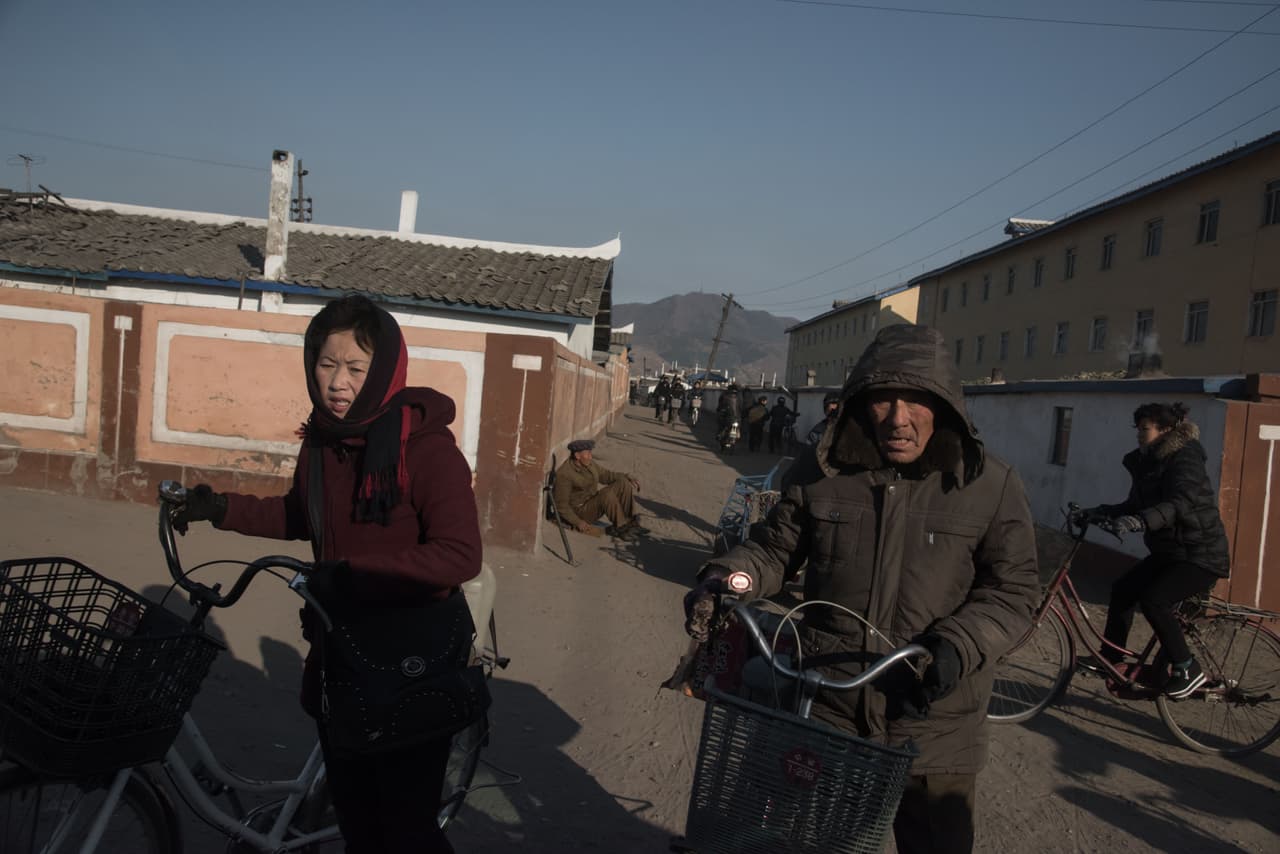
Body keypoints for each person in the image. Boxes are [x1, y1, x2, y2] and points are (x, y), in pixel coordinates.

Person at [683, 324, 1038, 854]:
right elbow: (774, 550)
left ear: (945, 405)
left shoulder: (988, 484)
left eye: (916, 400)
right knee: (811, 842)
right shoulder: (823, 471)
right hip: (830, 710)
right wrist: (728, 578)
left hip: (937, 723)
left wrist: (957, 646)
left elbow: (1014, 592)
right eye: (882, 400)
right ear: (858, 404)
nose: (898, 418)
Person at [172, 294, 481, 853]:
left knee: (406, 832)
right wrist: (218, 508)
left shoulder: (428, 451)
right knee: (358, 823)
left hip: (409, 663)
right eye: (326, 364)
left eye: (356, 368)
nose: (338, 382)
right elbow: (301, 514)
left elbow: (459, 555)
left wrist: (352, 576)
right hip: (340, 652)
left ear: (385, 370)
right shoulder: (321, 441)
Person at [1083, 402, 1230, 697]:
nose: (1138, 434)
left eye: (1144, 429)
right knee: (1124, 589)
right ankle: (1111, 659)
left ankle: (1188, 668)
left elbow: (1180, 503)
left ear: (1164, 429)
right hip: (1172, 553)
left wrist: (1139, 522)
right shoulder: (1149, 461)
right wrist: (1100, 512)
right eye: (1137, 429)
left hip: (1200, 555)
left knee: (1154, 601)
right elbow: (1135, 506)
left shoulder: (1185, 457)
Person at [553, 438, 646, 540]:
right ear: (577, 456)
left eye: (590, 453)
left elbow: (606, 475)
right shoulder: (565, 474)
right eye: (587, 454)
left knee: (623, 482)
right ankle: (622, 528)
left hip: (591, 502)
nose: (590, 456)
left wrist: (626, 476)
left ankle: (631, 523)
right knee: (605, 494)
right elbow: (561, 505)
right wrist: (577, 522)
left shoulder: (589, 464)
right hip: (580, 512)